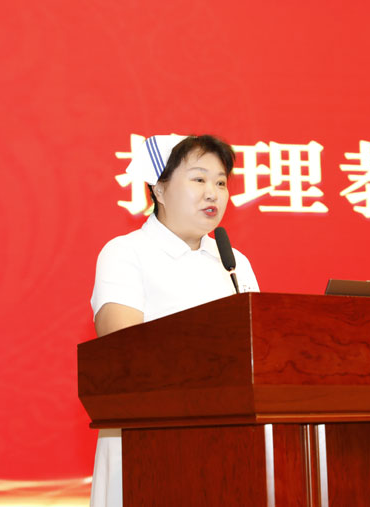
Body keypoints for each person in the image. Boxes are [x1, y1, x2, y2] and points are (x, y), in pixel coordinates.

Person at [89, 134, 259, 507]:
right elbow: (122, 352)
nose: (213, 193)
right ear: (160, 189)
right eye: (199, 179)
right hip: (151, 442)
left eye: (220, 183)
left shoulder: (234, 262)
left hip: (230, 443)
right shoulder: (126, 253)